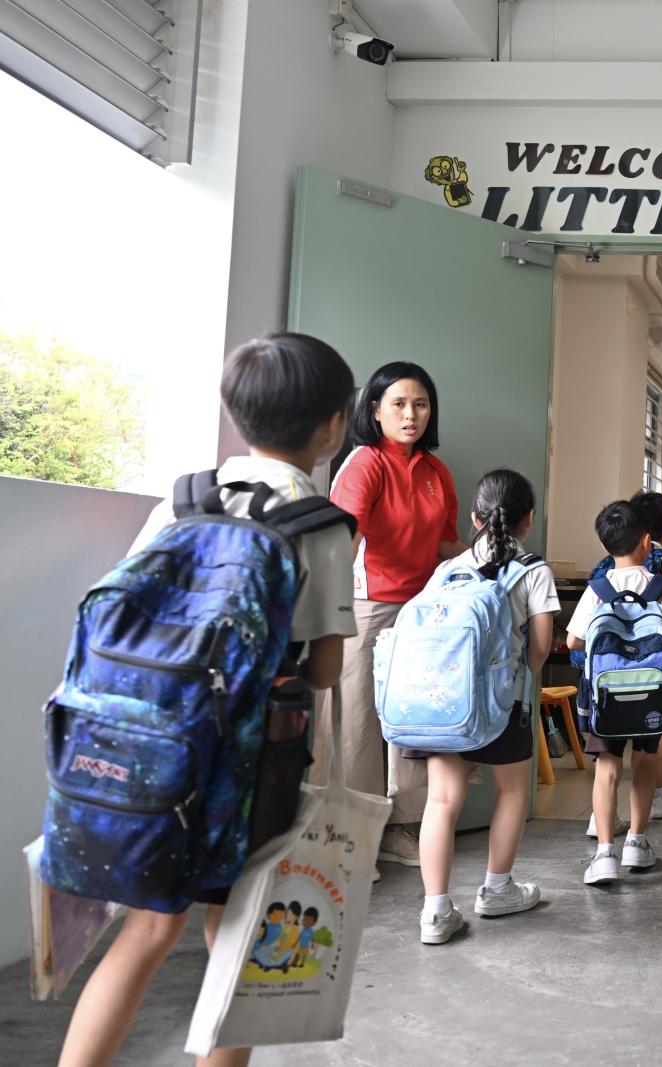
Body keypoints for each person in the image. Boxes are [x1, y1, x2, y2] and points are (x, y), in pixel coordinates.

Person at [56, 333, 357, 1067]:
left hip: (146, 749)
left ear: (235, 413)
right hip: (254, 766)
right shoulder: (320, 524)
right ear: (333, 425)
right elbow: (322, 669)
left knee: (147, 930)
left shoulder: (182, 499)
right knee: (238, 935)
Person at [318, 362, 468, 873]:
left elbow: (445, 544)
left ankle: (400, 826)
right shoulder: (364, 463)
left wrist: (493, 555)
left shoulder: (435, 471)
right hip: (367, 606)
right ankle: (350, 834)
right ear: (375, 409)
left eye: (421, 404)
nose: (411, 414)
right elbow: (343, 539)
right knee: (357, 720)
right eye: (399, 404)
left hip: (423, 610)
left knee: (415, 718)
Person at [408, 469, 558, 945]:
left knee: (442, 800)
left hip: (443, 701)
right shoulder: (533, 569)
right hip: (502, 702)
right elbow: (540, 646)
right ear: (528, 519)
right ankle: (496, 889)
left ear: (475, 517)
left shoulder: (448, 569)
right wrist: (518, 684)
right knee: (511, 792)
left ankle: (434, 912)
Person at [568, 500, 662, 885]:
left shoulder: (598, 589)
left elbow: (574, 639)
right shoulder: (660, 587)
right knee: (644, 765)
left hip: (606, 700)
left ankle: (604, 854)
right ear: (647, 541)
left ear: (605, 547)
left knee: (606, 770)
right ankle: (637, 843)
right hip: (650, 698)